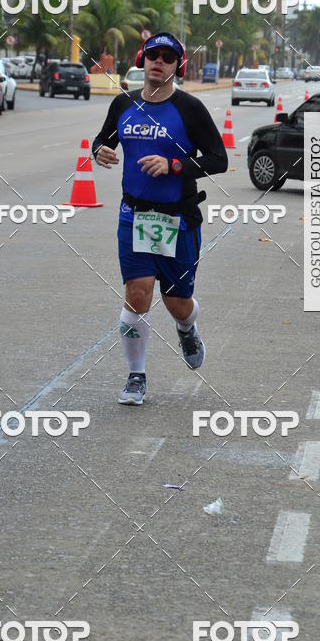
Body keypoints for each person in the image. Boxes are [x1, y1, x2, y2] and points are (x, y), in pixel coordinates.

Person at [92, 32, 228, 406]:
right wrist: (99, 151)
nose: (159, 62)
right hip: (134, 216)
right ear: (142, 59)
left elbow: (219, 159)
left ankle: (187, 327)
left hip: (178, 219)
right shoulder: (124, 104)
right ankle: (136, 376)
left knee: (176, 302)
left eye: (168, 58)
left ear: (177, 67)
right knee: (137, 295)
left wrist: (174, 165)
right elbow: (102, 140)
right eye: (154, 55)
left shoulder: (190, 109)